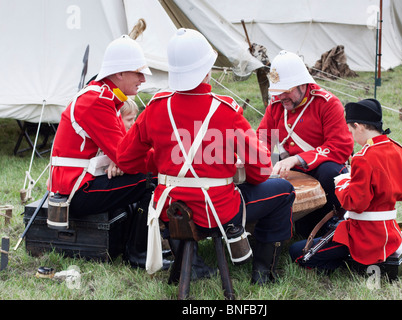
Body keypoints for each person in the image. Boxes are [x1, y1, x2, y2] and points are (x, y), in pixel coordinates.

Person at [117, 28, 296, 285]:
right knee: (283, 191)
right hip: (217, 212)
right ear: (206, 69)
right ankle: (263, 273)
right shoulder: (227, 110)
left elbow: (126, 159)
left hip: (171, 210)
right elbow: (260, 168)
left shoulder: (156, 106)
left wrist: (163, 162)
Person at [48, 35, 155, 267]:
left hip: (83, 182)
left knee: (148, 175)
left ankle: (141, 246)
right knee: (152, 179)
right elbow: (127, 156)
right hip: (75, 190)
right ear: (119, 73)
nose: (143, 79)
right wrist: (166, 160)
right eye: (138, 73)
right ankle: (138, 254)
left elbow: (123, 151)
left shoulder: (105, 98)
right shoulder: (97, 100)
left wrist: (121, 159)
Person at [289, 98, 402, 271]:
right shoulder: (397, 149)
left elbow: (354, 204)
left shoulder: (363, 157)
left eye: (351, 131)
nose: (352, 137)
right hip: (390, 233)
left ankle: (348, 264)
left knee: (296, 252)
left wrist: (343, 182)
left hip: (365, 237)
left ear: (359, 126)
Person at [257, 50, 354, 238]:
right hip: (291, 173)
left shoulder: (327, 104)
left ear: (303, 83)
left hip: (321, 170)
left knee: (330, 172)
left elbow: (340, 147)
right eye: (279, 91)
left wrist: (297, 159)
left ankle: (335, 219)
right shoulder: (276, 106)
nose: (282, 96)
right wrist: (249, 159)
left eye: (287, 90)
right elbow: (263, 140)